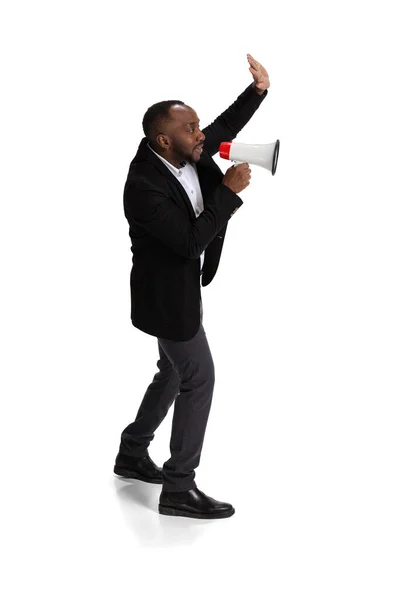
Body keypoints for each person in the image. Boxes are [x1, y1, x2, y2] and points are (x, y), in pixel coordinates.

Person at [114, 54, 271, 519]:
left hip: (179, 290)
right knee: (198, 377)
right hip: (167, 298)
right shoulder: (142, 185)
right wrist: (229, 194)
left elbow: (223, 127)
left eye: (198, 125)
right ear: (164, 139)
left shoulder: (189, 149)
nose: (201, 135)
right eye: (190, 128)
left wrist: (257, 91)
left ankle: (131, 454)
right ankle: (179, 488)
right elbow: (187, 242)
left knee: (172, 372)